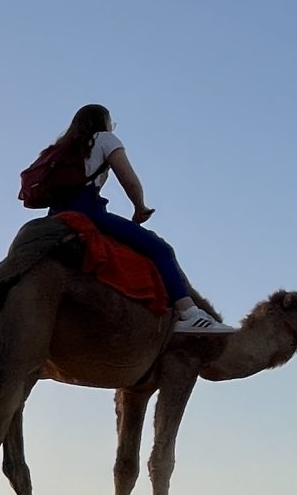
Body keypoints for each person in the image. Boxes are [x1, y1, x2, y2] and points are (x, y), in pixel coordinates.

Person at [40, 105, 231, 333]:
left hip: (53, 216)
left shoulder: (60, 148)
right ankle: (188, 313)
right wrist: (139, 207)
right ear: (104, 122)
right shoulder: (104, 139)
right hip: (87, 213)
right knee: (159, 248)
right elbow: (129, 180)